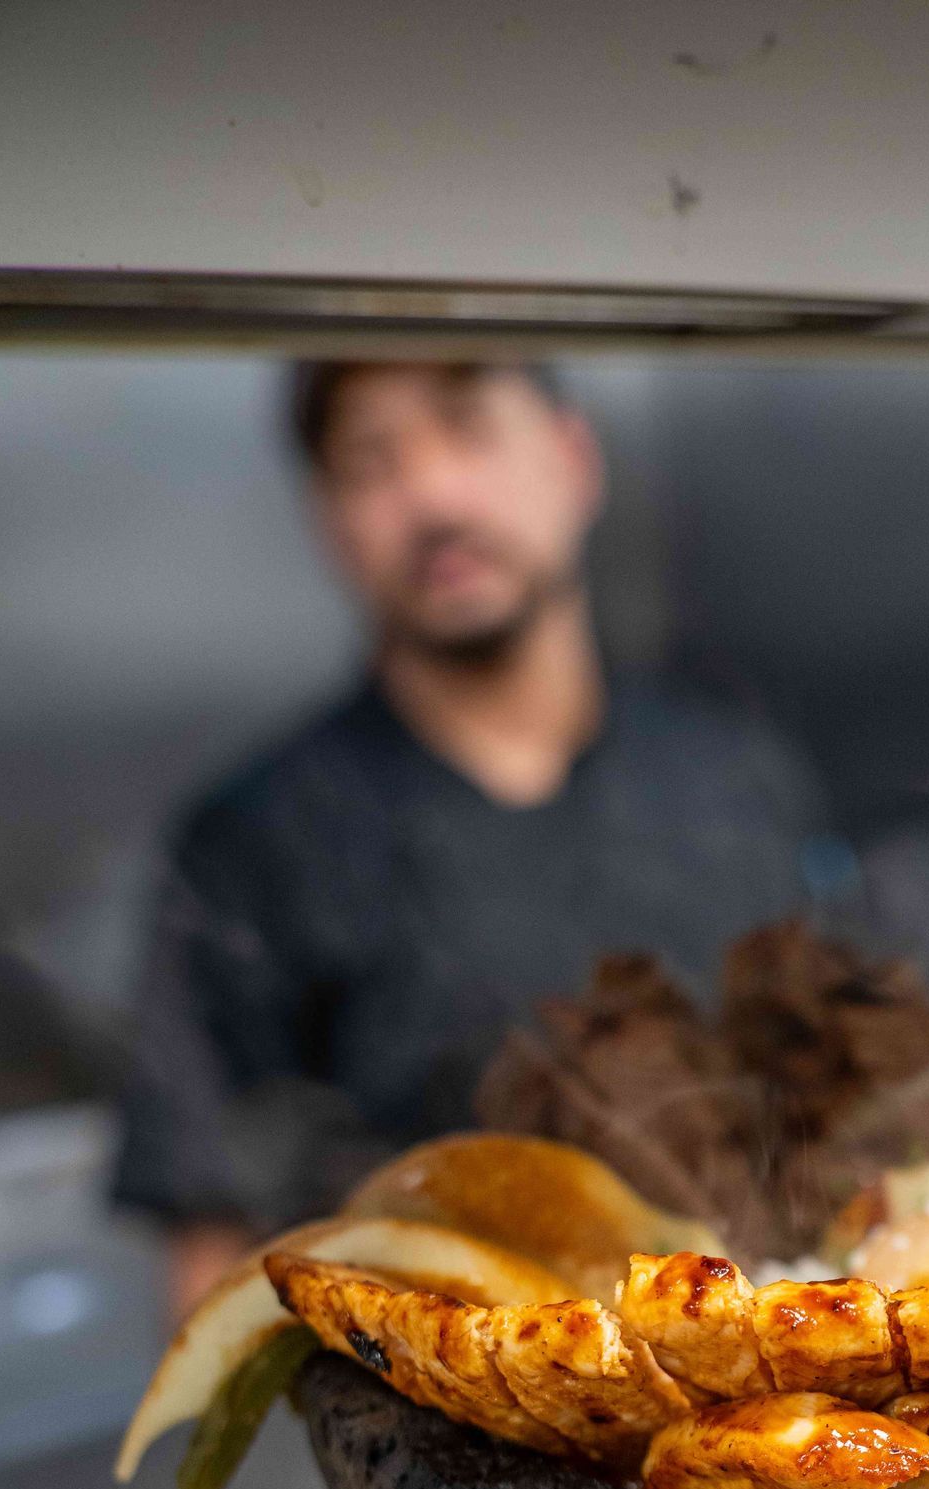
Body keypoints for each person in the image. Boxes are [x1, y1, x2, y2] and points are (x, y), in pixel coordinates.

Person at [114, 359, 826, 1313]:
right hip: (422, 1427)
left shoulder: (736, 777)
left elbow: (839, 1127)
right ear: (329, 520)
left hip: (754, 1395)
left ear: (575, 460)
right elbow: (210, 1269)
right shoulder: (252, 845)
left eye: (470, 428)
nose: (434, 495)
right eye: (373, 461)